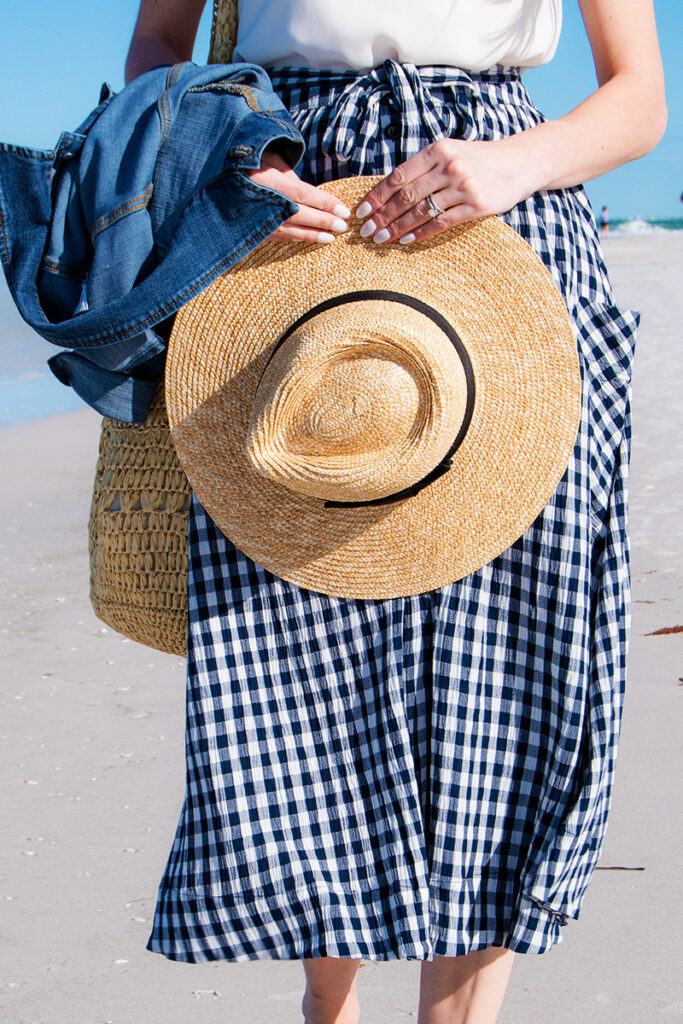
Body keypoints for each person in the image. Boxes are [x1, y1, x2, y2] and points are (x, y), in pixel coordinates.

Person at [125, 2, 666, 1023]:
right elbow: (158, 43)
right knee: (300, 651)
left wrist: (512, 163)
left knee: (517, 672)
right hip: (285, 209)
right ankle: (325, 1004)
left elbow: (637, 95)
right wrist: (228, 169)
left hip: (508, 218)